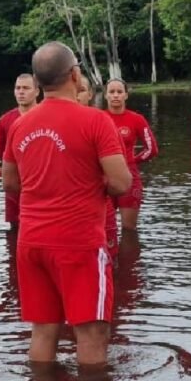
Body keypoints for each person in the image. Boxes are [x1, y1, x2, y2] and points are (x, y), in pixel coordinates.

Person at [1, 41, 131, 367]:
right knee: (91, 332)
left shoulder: (18, 124)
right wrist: (89, 184)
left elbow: (9, 184)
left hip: (31, 241)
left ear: (37, 80)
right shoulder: (96, 121)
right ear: (75, 75)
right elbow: (120, 182)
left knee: (44, 330)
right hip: (79, 243)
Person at [104, 79, 159, 231]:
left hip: (129, 177)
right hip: (104, 179)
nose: (115, 96)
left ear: (126, 95)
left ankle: (131, 255)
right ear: (105, 95)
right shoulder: (98, 118)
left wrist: (132, 161)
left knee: (129, 228)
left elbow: (152, 149)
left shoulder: (136, 119)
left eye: (119, 92)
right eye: (112, 92)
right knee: (105, 228)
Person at [77, 75, 120, 259]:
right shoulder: (51, 123)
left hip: (99, 206)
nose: (77, 95)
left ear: (90, 94)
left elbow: (120, 180)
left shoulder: (102, 123)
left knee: (109, 261)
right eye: (75, 90)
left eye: (81, 91)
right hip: (68, 212)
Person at [0, 74, 40, 230]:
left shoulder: (46, 116)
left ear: (37, 91)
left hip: (41, 183)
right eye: (18, 88)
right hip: (15, 186)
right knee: (16, 228)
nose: (21, 92)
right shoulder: (5, 121)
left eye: (26, 88)